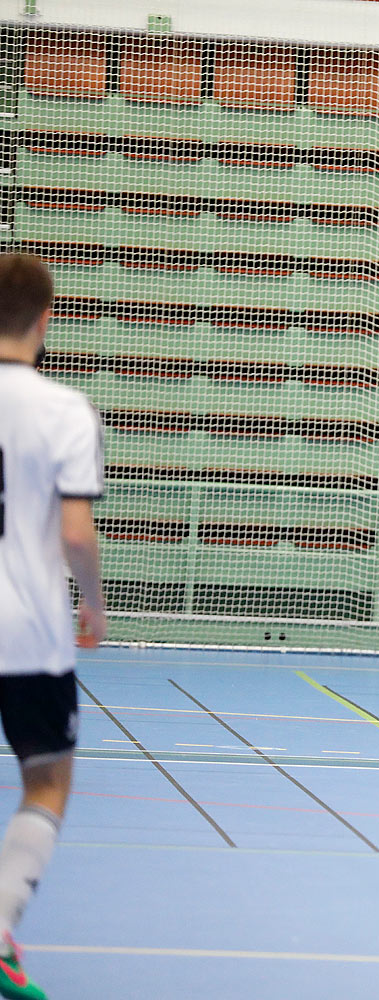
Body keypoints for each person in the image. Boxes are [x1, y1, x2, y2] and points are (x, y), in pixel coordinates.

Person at [0, 252, 107, 999]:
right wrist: (94, 603)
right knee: (48, 778)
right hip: (28, 634)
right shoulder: (65, 410)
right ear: (45, 322)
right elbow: (75, 535)